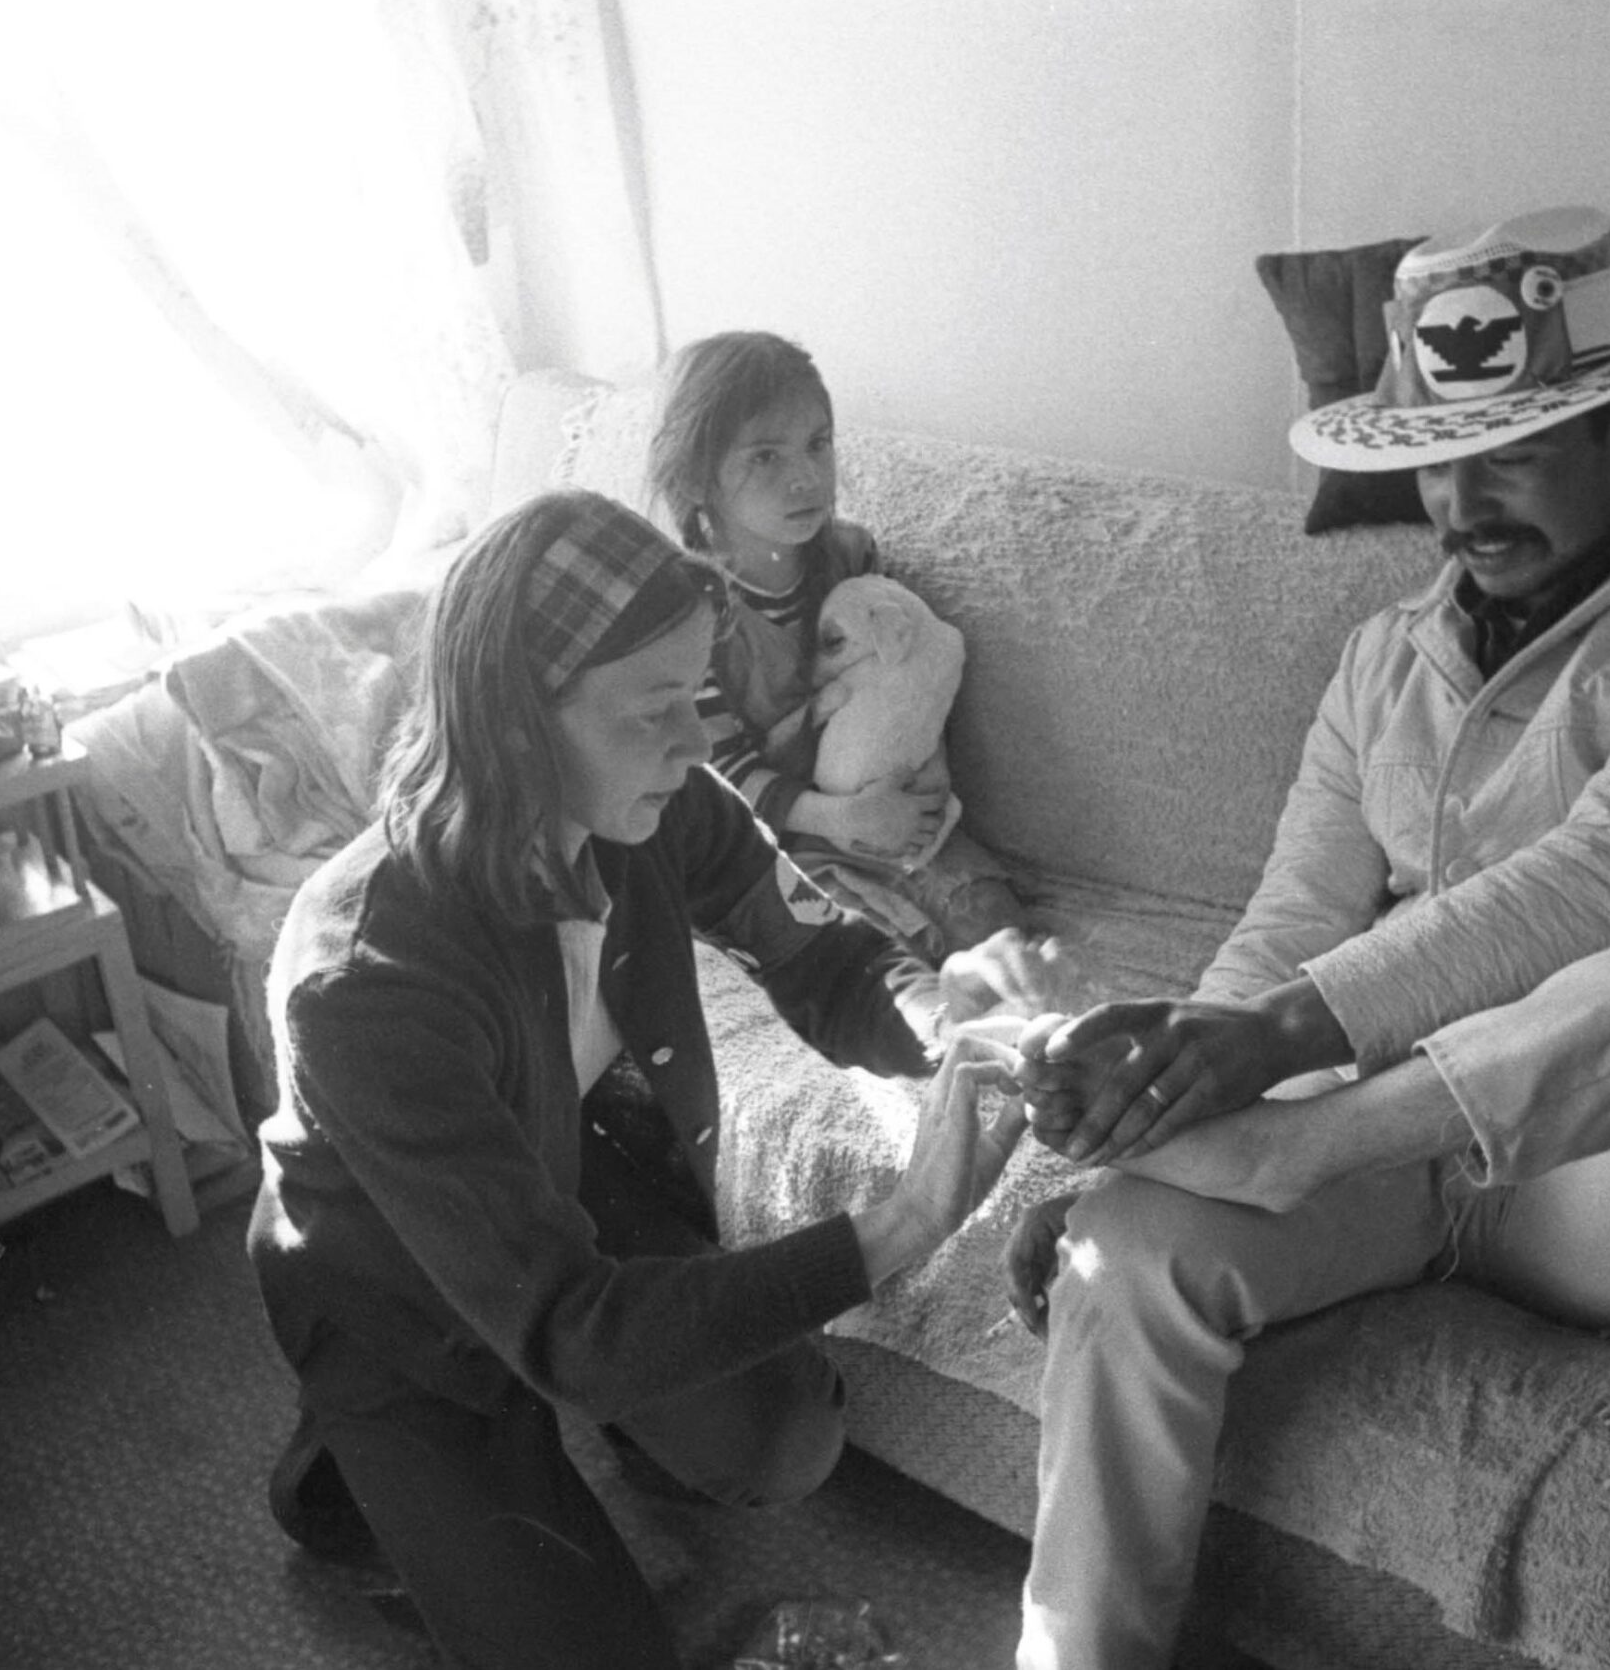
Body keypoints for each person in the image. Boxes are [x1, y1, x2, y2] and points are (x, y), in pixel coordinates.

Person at [998, 207, 1610, 1670]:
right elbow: (1292, 920)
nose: (1462, 503)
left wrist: (1285, 1064)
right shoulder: (1384, 654)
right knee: (1129, 1241)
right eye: (1437, 463)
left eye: (1512, 453)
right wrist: (1152, 1118)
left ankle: (1306, 1139)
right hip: (1379, 1153)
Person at [246, 489, 1052, 1670]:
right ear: (518, 726)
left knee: (784, 1441)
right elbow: (569, 1327)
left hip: (557, 1185)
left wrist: (955, 1033)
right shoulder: (363, 978)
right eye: (654, 710)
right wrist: (904, 1220)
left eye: (697, 696)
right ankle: (349, 1462)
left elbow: (824, 955)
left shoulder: (657, 808)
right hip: (398, 1290)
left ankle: (576, 1434)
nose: (695, 741)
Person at [646, 330, 1029, 961]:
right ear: (696, 478)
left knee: (997, 930)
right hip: (781, 835)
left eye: (818, 445)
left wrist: (923, 783)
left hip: (894, 809)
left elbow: (909, 680)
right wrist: (841, 818)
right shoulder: (694, 610)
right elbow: (721, 774)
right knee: (870, 965)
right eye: (765, 457)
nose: (806, 477)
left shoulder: (853, 557)